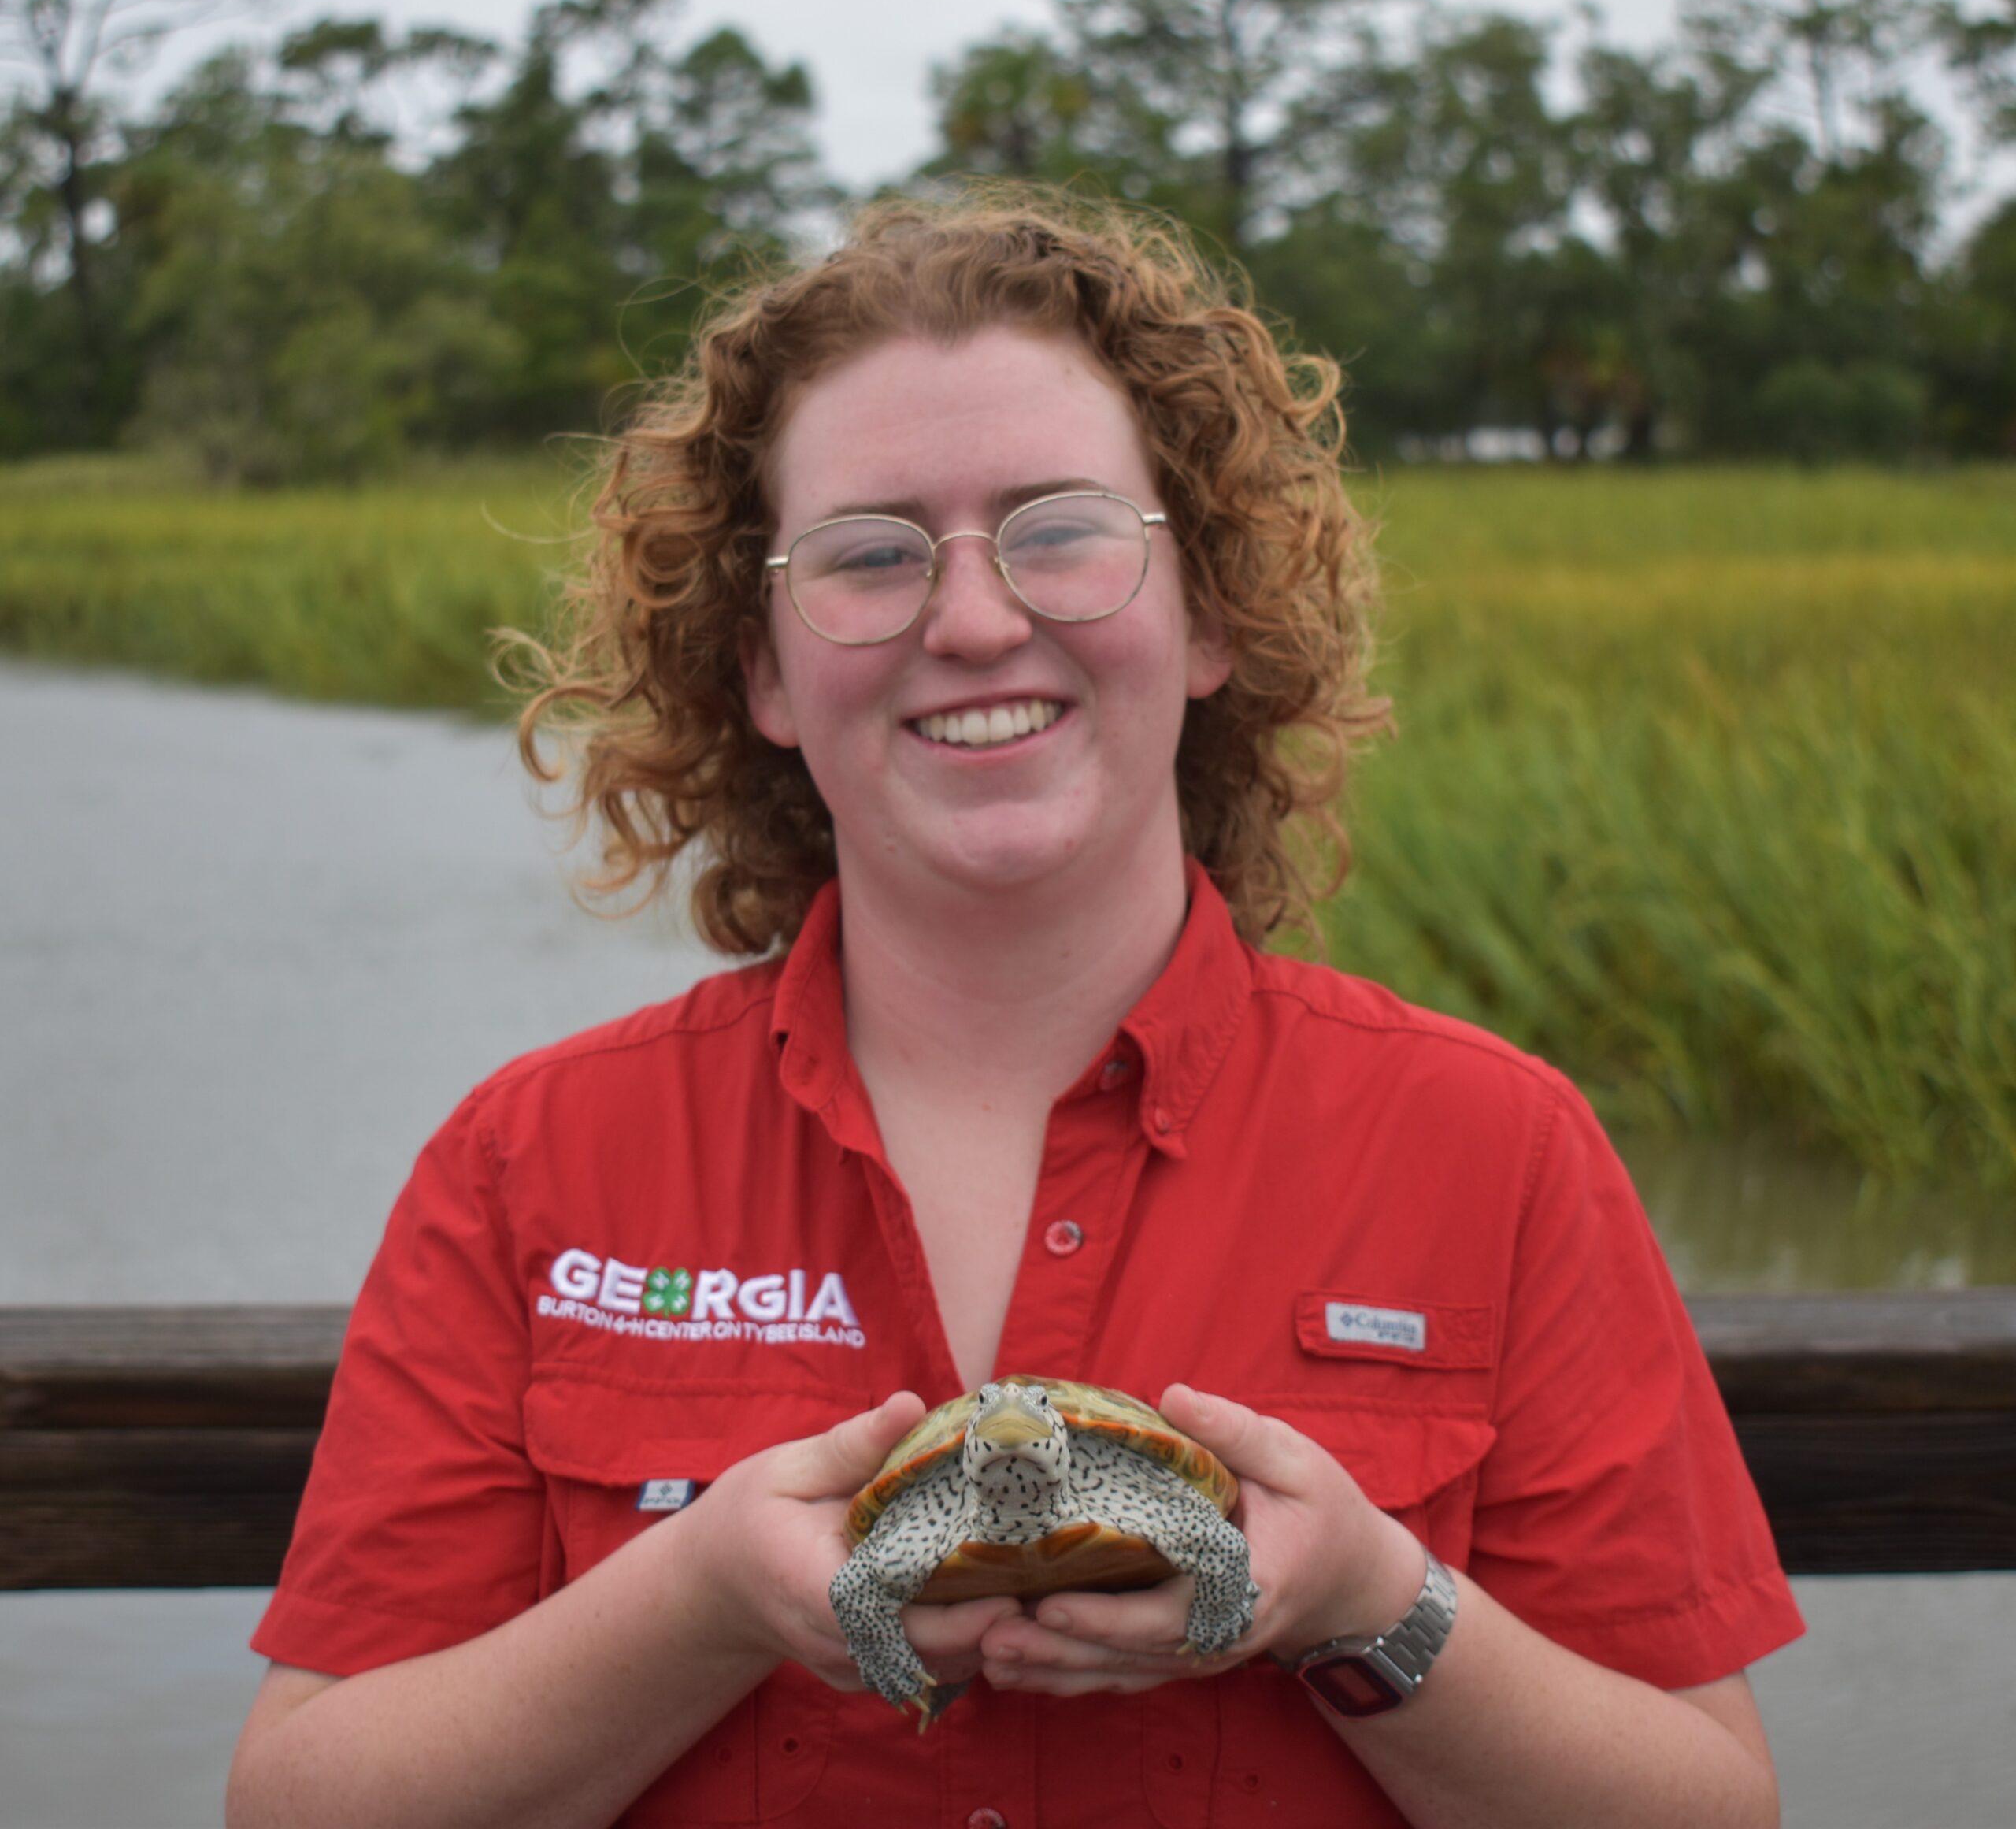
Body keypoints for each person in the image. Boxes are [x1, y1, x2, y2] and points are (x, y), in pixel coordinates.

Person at [227, 195, 1802, 1829]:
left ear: (1202, 613)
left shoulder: (1494, 1146)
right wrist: (694, 1596)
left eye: (1058, 528)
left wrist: (1364, 1599)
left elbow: (1710, 1805)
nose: (972, 618)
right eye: (866, 554)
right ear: (761, 667)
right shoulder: (533, 1160)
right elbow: (297, 1801)